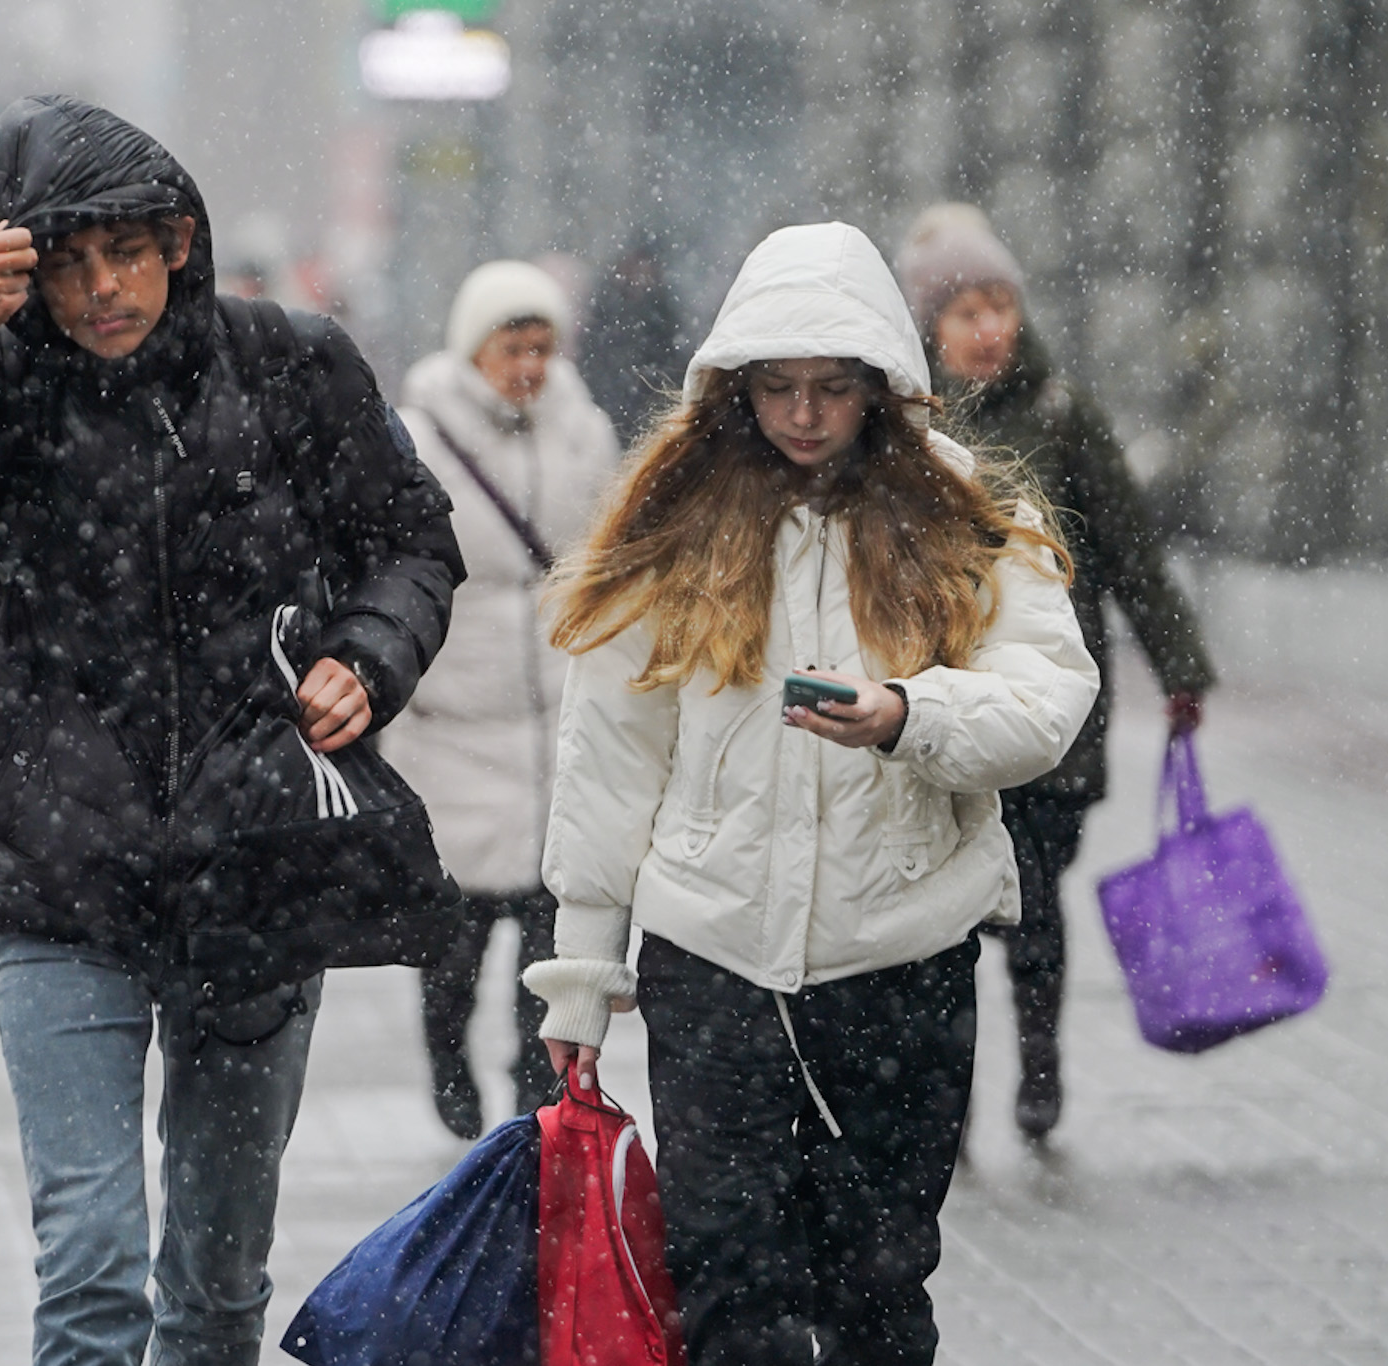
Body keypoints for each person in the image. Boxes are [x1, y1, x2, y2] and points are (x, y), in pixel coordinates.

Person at [0, 95, 463, 1366]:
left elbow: (409, 545)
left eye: (125, 253)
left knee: (213, 1279)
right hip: (56, 871)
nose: (101, 291)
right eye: (69, 264)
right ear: (21, 272)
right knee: (88, 1270)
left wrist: (368, 657)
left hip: (255, 865)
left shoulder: (289, 365)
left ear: (180, 241)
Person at [523, 222, 1099, 1365]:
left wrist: (906, 713)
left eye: (828, 388)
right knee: (730, 1284)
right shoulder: (677, 522)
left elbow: (1045, 701)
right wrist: (580, 983)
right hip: (711, 958)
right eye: (775, 388)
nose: (799, 414)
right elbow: (609, 759)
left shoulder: (965, 516)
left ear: (879, 386)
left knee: (878, 1289)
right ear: (734, 389)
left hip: (899, 960)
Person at [896, 203, 1216, 1139]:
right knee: (943, 917)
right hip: (941, 701)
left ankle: (1040, 1067)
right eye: (966, 311)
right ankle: (941, 1101)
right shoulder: (902, 421)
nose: (990, 327)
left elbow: (1127, 550)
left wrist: (1181, 665)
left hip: (1046, 698)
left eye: (1001, 305)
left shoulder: (1062, 414)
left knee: (1035, 899)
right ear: (930, 326)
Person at [378, 260, 619, 1138]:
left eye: (543, 348)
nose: (529, 366)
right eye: (512, 347)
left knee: (549, 941)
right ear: (474, 347)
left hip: (557, 728)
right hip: (454, 731)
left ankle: (530, 1095)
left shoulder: (584, 432)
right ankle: (449, 1064)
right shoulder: (418, 436)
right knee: (456, 941)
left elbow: (609, 553)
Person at [580, 236, 689, 441]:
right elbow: (593, 354)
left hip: (646, 402)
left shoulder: (661, 311)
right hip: (613, 399)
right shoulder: (607, 306)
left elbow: (672, 357)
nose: (640, 273)